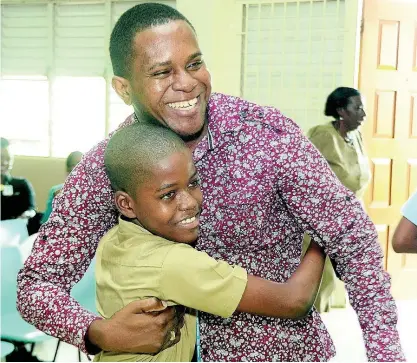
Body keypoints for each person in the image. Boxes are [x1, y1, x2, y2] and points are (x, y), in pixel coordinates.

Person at [17, 3, 405, 362]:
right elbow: (36, 285)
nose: (186, 83)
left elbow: (352, 238)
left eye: (195, 63)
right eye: (161, 72)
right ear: (123, 88)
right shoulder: (112, 165)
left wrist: (386, 354)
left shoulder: (264, 134)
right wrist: (98, 332)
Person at [95, 122, 326, 362]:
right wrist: (322, 236)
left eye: (193, 183)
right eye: (168, 194)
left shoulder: (114, 239)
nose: (190, 203)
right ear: (126, 204)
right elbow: (294, 301)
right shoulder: (173, 263)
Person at [304, 87, 371, 312]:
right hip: (321, 220)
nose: (364, 113)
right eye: (358, 108)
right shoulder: (323, 135)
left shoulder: (355, 137)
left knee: (333, 281)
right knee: (319, 280)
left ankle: (315, 330)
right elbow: (302, 174)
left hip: (348, 221)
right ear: (341, 110)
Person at [41, 151, 83, 224]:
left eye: (82, 164)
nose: (78, 167)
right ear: (68, 169)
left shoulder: (94, 192)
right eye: (74, 164)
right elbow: (46, 222)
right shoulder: (56, 191)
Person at [1, 137, 36, 221]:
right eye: (1, 157)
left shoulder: (21, 185)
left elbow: (31, 209)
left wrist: (28, 214)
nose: (5, 162)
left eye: (8, 159)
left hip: (14, 230)